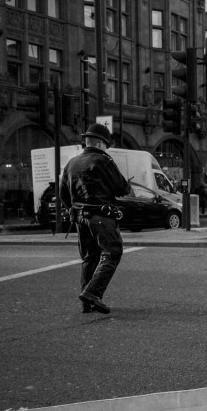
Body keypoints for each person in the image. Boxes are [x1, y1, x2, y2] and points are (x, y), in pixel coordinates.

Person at [59, 123, 131, 314]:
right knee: (112, 252)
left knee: (90, 258)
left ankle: (86, 303)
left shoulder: (71, 163)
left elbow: (63, 194)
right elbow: (120, 188)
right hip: (101, 215)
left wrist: (73, 209)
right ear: (100, 144)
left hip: (80, 218)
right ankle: (92, 293)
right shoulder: (103, 161)